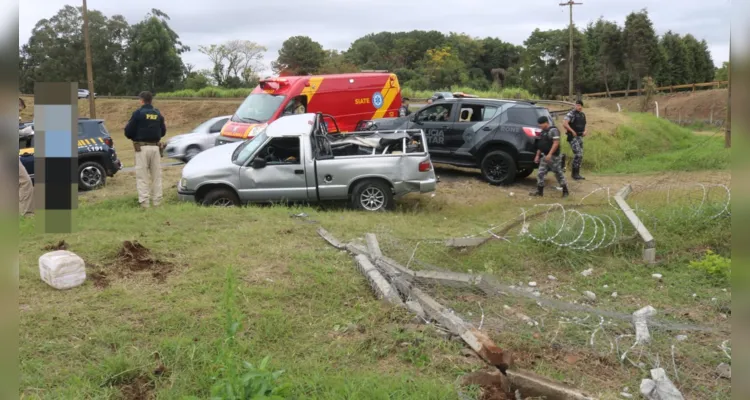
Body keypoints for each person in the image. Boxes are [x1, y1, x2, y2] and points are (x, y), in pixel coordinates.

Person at [124, 91, 166, 209]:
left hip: (141, 148)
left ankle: (144, 203)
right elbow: (163, 132)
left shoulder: (138, 113)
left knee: (142, 177)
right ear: (151, 100)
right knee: (156, 176)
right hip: (155, 148)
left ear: (141, 100)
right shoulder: (158, 114)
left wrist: (134, 137)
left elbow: (128, 131)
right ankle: (157, 202)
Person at [530, 116, 568, 198]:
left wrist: (550, 154)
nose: (540, 125)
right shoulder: (543, 132)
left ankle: (565, 191)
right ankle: (539, 192)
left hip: (553, 157)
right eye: (539, 124)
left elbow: (556, 143)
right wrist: (537, 155)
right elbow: (540, 145)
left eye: (541, 124)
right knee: (540, 173)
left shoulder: (553, 130)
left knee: (558, 173)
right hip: (544, 156)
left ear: (546, 123)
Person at [562, 100, 587, 180]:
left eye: (580, 106)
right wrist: (572, 131)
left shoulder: (582, 115)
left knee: (581, 155)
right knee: (578, 154)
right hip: (572, 137)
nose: (579, 107)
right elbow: (565, 123)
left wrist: (585, 131)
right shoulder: (571, 114)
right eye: (578, 105)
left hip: (579, 136)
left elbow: (585, 124)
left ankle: (577, 173)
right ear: (575, 105)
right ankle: (574, 174)